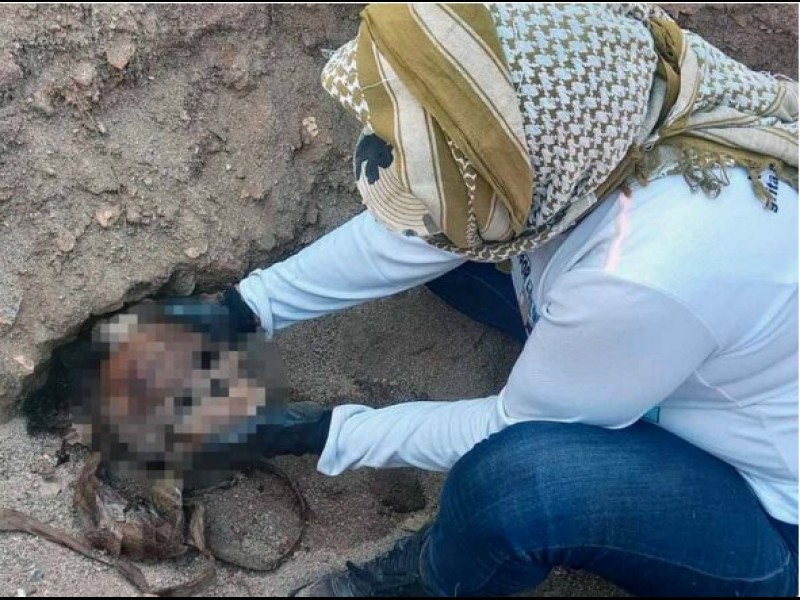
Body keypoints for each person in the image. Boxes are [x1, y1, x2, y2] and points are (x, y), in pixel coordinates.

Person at [109, 4, 799, 597]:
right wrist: (239, 311)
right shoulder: (611, 101)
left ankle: (431, 577)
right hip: (673, 352)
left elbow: (508, 428)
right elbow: (441, 222)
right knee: (449, 249)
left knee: (516, 487)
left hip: (768, 514)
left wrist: (311, 432)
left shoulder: (640, 272)